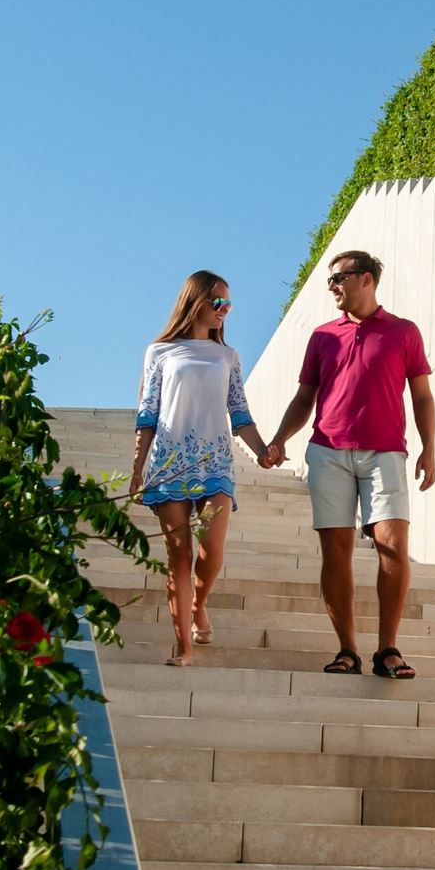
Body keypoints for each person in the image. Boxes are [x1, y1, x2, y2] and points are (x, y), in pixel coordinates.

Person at [262, 248, 435, 679]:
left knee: (392, 546)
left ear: (366, 279)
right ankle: (347, 651)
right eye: (329, 279)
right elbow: (305, 398)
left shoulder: (404, 332)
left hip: (386, 453)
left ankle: (388, 650)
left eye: (338, 278)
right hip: (328, 453)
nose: (332, 286)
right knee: (335, 551)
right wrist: (280, 438)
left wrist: (429, 447)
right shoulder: (322, 336)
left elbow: (422, 396)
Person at [128, 271, 271, 666]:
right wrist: (138, 468)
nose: (225, 310)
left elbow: (239, 413)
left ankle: (199, 604)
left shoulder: (228, 356)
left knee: (212, 549)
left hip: (216, 462)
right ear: (195, 302)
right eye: (218, 301)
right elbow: (147, 413)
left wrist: (263, 451)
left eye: (228, 303)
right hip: (169, 464)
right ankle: (183, 647)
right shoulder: (159, 352)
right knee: (178, 554)